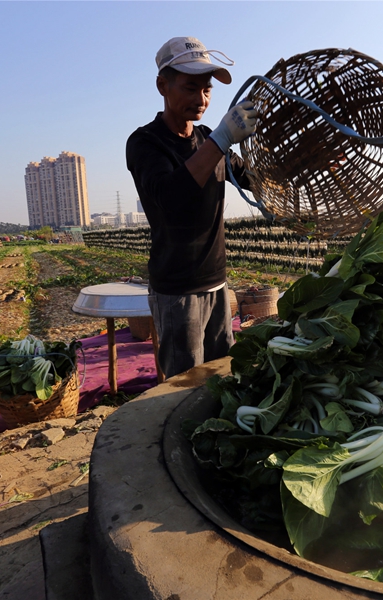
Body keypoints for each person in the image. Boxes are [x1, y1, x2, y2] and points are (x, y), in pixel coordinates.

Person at [126, 36, 258, 379]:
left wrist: (303, 161)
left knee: (222, 374)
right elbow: (170, 197)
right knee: (184, 385)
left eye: (207, 89)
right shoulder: (145, 143)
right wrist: (221, 140)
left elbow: (251, 177)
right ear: (163, 86)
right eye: (190, 88)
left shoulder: (207, 138)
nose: (201, 99)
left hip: (217, 283)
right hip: (177, 291)